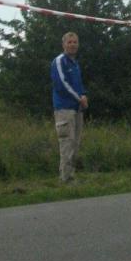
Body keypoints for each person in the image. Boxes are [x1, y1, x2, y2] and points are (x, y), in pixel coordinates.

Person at [50, 32, 88, 183]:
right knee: (67, 142)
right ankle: (65, 178)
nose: (72, 45)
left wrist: (84, 95)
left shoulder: (75, 63)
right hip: (64, 109)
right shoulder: (60, 61)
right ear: (64, 44)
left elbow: (78, 84)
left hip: (77, 109)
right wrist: (79, 98)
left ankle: (71, 176)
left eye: (75, 42)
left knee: (75, 143)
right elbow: (62, 84)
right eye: (69, 42)